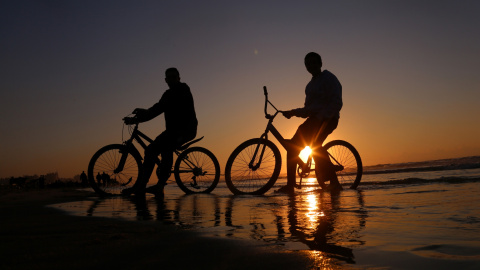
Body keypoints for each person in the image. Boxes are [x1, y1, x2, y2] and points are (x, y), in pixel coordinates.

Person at [122, 67, 198, 197]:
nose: (172, 79)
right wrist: (136, 119)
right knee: (151, 150)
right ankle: (142, 186)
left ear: (179, 78)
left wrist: (143, 114)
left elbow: (160, 107)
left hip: (186, 130)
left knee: (165, 148)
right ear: (165, 80)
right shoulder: (167, 94)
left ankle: (159, 185)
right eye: (169, 77)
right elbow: (156, 109)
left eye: (174, 77)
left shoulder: (183, 89)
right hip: (172, 131)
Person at [278, 52, 343, 194]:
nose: (311, 66)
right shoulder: (309, 86)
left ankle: (334, 182)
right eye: (308, 64)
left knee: (316, 144)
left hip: (329, 119)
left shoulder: (329, 78)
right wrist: (292, 112)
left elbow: (337, 102)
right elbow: (308, 110)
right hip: (313, 121)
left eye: (313, 63)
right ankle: (290, 185)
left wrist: (323, 117)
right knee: (292, 147)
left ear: (320, 63)